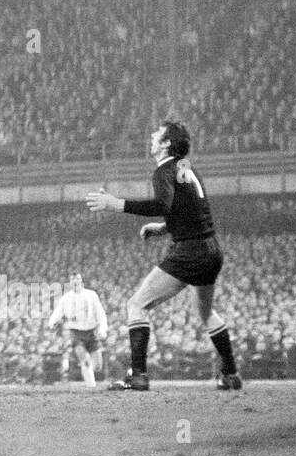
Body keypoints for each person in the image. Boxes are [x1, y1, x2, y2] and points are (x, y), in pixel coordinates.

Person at [86, 121, 242, 391]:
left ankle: (138, 375)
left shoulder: (164, 170)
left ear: (166, 143)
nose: (151, 137)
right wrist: (163, 227)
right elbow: (191, 208)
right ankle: (230, 374)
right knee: (205, 313)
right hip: (211, 249)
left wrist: (116, 204)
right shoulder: (185, 168)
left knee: (137, 305)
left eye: (156, 134)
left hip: (189, 251)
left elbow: (162, 204)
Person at [47, 273, 108, 387]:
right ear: (70, 283)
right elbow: (58, 311)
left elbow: (100, 312)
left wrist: (103, 328)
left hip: (91, 331)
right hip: (75, 332)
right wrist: (51, 323)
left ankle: (89, 375)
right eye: (72, 280)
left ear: (81, 281)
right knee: (84, 359)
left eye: (77, 279)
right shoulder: (66, 297)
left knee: (98, 365)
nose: (75, 282)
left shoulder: (91, 295)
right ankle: (91, 386)